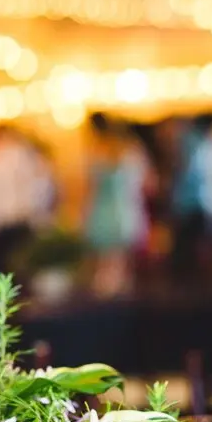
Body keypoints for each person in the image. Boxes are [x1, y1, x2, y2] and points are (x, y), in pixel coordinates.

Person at [0, 126, 56, 271]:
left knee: (4, 272)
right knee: (21, 269)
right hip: (23, 221)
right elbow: (42, 188)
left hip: (2, 225)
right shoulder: (28, 155)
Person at [84, 114, 150, 297]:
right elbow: (146, 184)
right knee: (121, 265)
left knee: (107, 265)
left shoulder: (97, 151)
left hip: (105, 212)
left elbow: (89, 187)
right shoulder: (132, 151)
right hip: (125, 212)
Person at [170, 114, 212, 284]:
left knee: (188, 246)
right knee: (190, 246)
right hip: (195, 201)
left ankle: (186, 282)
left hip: (190, 202)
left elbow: (187, 171)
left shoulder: (192, 142)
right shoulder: (200, 143)